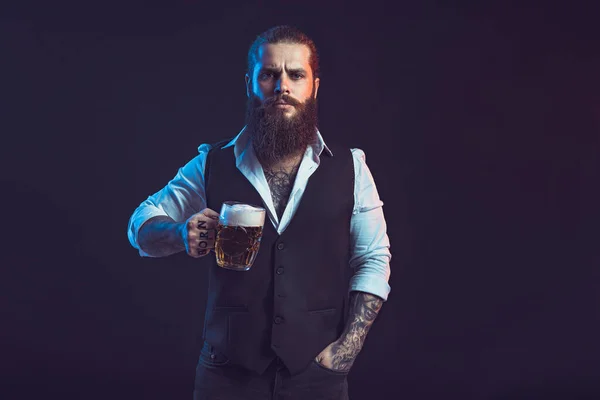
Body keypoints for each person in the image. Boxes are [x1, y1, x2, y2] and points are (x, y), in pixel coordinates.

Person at [127, 25, 391, 400]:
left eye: (295, 75)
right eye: (268, 74)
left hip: (317, 377)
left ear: (314, 86)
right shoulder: (211, 164)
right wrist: (179, 233)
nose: (281, 86)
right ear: (250, 83)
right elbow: (140, 222)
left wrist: (346, 349)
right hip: (225, 375)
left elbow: (374, 258)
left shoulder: (352, 169)